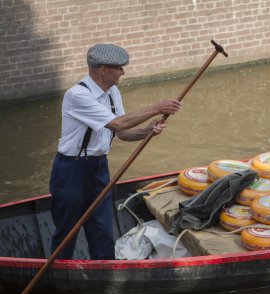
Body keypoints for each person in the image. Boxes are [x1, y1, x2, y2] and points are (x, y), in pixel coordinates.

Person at [49, 44, 181, 260]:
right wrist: (157, 107)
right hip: (71, 169)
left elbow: (123, 133)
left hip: (99, 167)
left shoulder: (112, 93)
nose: (123, 72)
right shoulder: (77, 95)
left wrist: (148, 131)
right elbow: (118, 124)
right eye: (119, 68)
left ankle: (105, 274)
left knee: (102, 229)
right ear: (102, 69)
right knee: (67, 229)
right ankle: (59, 273)